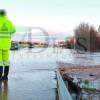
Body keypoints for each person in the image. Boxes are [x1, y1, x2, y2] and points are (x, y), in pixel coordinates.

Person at [0, 9, 16, 80]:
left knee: (0, 61)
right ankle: (5, 76)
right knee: (6, 61)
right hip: (7, 45)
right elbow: (14, 31)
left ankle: (0, 77)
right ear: (5, 14)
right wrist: (9, 36)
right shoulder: (9, 22)